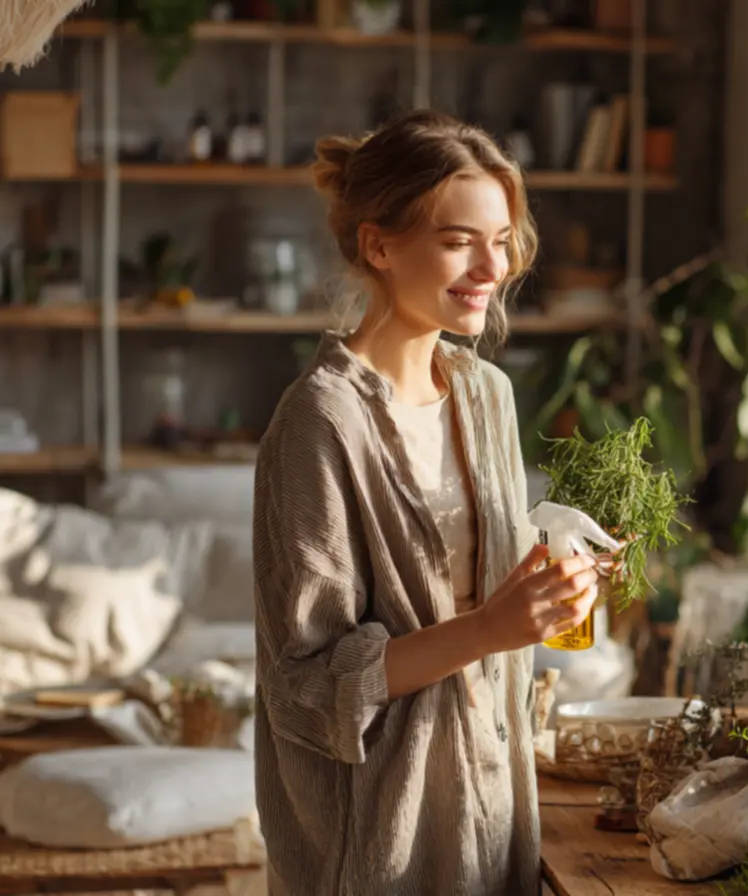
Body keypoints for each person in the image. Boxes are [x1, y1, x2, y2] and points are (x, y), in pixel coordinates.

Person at [251, 109, 604, 895]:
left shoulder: (487, 396)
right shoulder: (320, 420)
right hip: (383, 835)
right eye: (458, 241)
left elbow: (491, 603)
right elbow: (305, 685)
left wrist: (553, 589)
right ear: (379, 245)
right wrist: (489, 628)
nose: (493, 267)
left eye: (502, 239)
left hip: (491, 789)